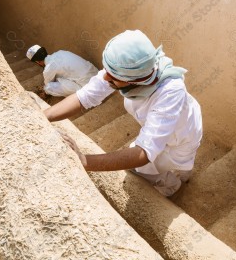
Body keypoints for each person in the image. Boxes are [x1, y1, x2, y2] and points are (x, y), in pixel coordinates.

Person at [44, 30, 203, 196]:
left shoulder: (169, 92)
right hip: (170, 125)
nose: (105, 78)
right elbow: (84, 96)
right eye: (107, 70)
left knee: (143, 170)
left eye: (112, 77)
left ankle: (173, 185)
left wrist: (84, 160)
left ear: (134, 81)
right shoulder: (134, 69)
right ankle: (183, 173)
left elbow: (144, 153)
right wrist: (43, 117)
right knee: (157, 161)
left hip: (180, 139)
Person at [26, 45, 98, 97]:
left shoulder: (48, 69)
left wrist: (46, 91)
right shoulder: (61, 52)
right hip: (96, 74)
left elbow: (48, 83)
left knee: (48, 87)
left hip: (90, 89)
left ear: (37, 62)